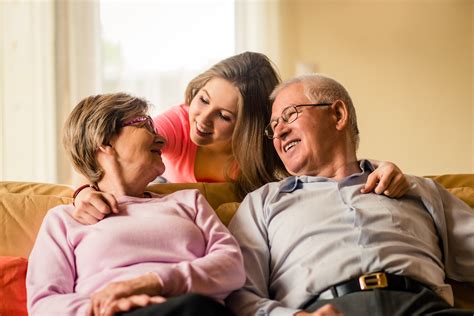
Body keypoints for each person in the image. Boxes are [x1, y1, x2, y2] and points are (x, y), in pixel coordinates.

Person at [225, 74, 474, 315]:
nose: (279, 133)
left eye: (289, 115)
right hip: (326, 310)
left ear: (338, 114)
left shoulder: (417, 189)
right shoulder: (262, 203)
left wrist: (408, 184)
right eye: (274, 127)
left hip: (424, 306)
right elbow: (239, 292)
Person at [72, 52, 409, 224]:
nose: (202, 120)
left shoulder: (267, 146)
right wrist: (83, 190)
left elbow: (328, 166)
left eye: (224, 116)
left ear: (247, 128)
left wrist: (380, 167)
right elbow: (110, 150)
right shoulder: (178, 121)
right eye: (203, 99)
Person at [26, 93, 245, 316]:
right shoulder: (64, 219)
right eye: (145, 125)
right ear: (105, 141)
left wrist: (155, 282)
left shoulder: (189, 201)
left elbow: (232, 266)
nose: (162, 139)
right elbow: (44, 303)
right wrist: (100, 308)